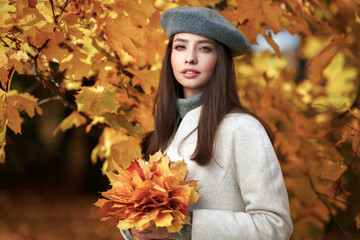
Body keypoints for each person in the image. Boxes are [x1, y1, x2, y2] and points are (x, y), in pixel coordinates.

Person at [121, 6, 293, 240]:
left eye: (204, 48)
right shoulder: (164, 132)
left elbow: (276, 226)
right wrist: (135, 227)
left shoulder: (242, 128)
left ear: (220, 60)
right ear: (170, 56)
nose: (190, 57)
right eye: (180, 46)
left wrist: (185, 228)